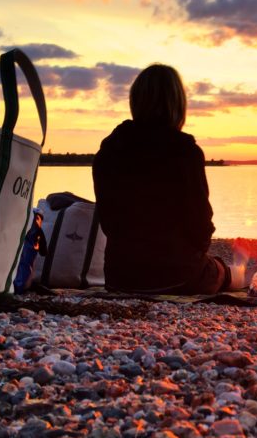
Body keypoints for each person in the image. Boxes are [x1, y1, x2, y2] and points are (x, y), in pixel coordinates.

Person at [92, 63, 234, 295]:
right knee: (222, 271)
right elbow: (200, 221)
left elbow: (107, 222)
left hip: (120, 277)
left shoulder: (108, 151)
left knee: (211, 266)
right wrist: (196, 254)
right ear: (177, 104)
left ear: (135, 100)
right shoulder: (185, 152)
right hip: (177, 276)